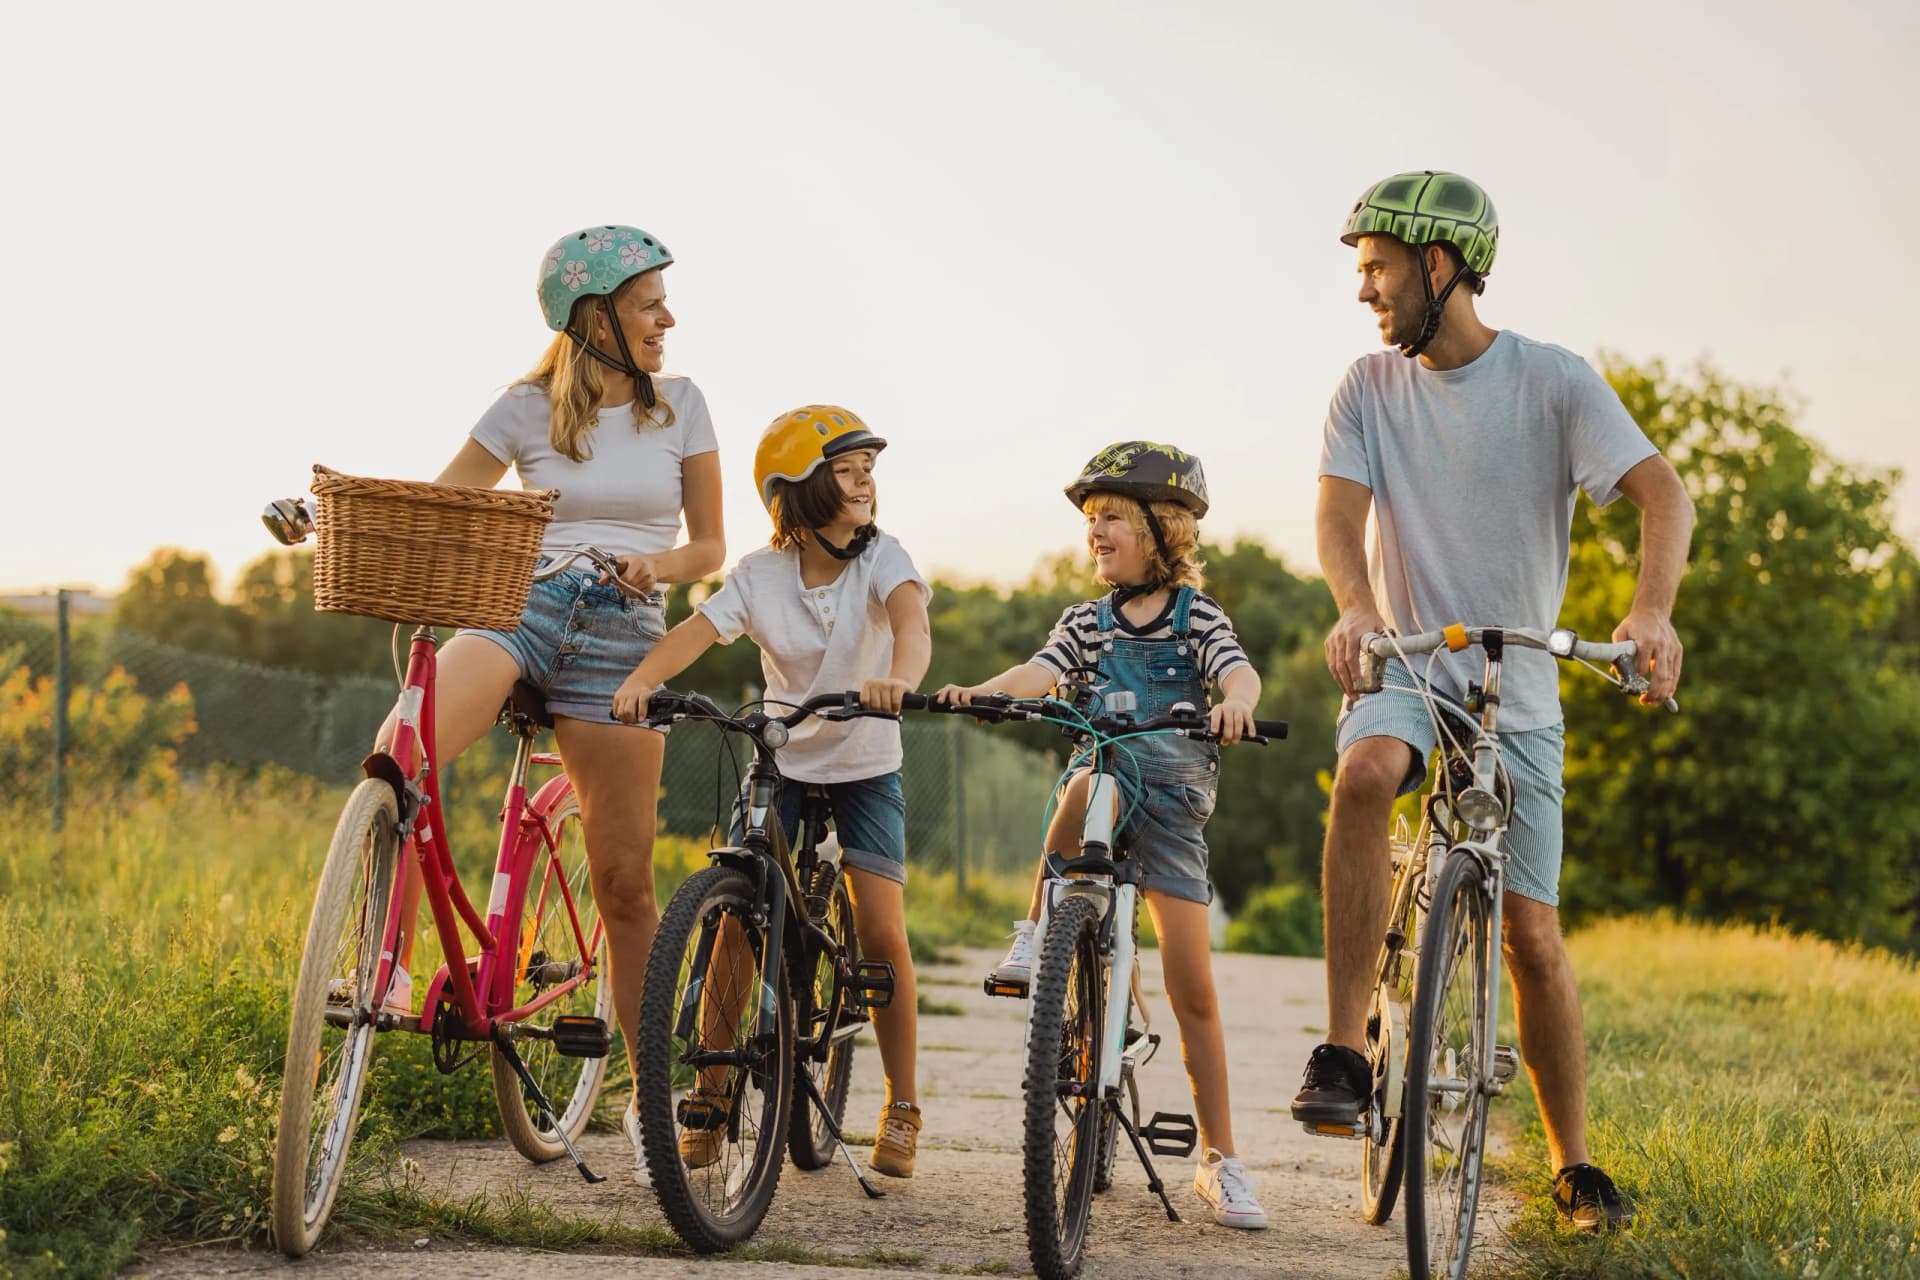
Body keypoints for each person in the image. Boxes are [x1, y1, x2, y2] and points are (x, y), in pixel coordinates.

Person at [1289, 171, 1694, 1232]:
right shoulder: (1367, 386)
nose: (1364, 288)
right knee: (1367, 773)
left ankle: (1575, 1164)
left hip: (1520, 681)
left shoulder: (1554, 382)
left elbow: (1664, 492)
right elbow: (1339, 517)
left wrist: (1652, 614)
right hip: (1411, 661)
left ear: (1440, 264)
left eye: (1376, 266)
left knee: (1533, 933)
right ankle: (1343, 1045)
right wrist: (1356, 607)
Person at [379, 224, 725, 1186]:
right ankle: (383, 961)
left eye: (664, 302)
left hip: (623, 631)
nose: (669, 317)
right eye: (650, 301)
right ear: (596, 313)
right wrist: (335, 511)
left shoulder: (683, 406)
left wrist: (655, 563)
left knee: (624, 884)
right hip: (519, 608)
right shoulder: (526, 407)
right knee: (398, 751)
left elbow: (708, 550)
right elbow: (446, 504)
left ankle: (650, 1101)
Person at [935, 442, 1270, 1230]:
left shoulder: (1198, 617)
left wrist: (1237, 704)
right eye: (1092, 520)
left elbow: (1238, 671)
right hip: (1106, 793)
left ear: (1164, 530)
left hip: (1175, 806)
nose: (1097, 532)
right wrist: (982, 692)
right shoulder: (1085, 621)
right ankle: (1038, 931)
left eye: (1113, 517)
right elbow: (1043, 669)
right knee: (1086, 778)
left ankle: (1221, 1161)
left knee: (1194, 991)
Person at [612, 404, 932, 1178]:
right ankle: (712, 1092)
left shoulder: (881, 557)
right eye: (848, 470)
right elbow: (698, 631)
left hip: (863, 760)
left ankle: (903, 1102)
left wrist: (899, 680)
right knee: (736, 923)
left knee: (882, 929)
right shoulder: (759, 574)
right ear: (800, 489)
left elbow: (912, 622)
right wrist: (642, 679)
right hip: (783, 755)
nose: (865, 483)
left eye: (869, 472)